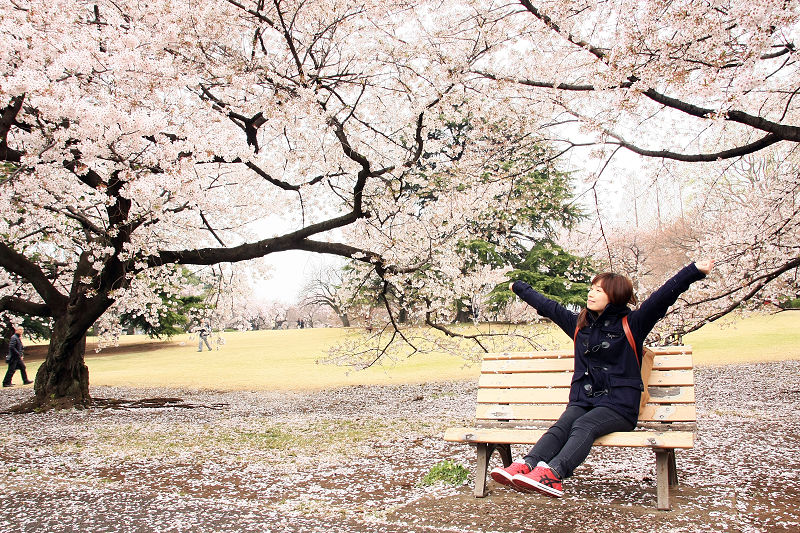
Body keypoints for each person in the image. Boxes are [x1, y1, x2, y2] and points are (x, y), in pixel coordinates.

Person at [491, 259, 715, 497]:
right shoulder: (580, 325)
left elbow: (662, 298)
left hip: (619, 406)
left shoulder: (633, 324)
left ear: (615, 296)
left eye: (599, 290)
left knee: (583, 425)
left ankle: (554, 474)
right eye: (591, 288)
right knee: (562, 426)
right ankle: (528, 464)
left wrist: (693, 270)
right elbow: (549, 307)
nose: (591, 293)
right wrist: (519, 288)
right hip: (583, 401)